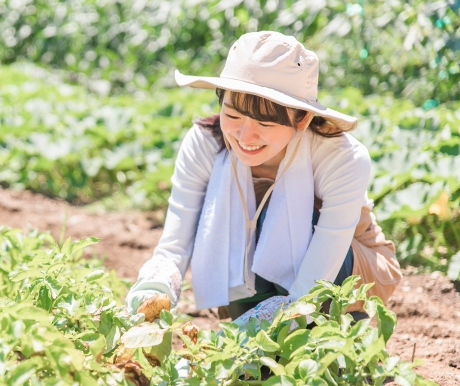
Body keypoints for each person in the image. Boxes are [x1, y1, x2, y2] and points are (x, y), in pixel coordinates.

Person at [125, 31, 401, 324]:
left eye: (265, 122)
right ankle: (259, 326)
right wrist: (150, 297)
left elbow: (311, 286)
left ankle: (332, 331)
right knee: (232, 216)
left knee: (279, 218)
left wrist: (267, 328)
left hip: (345, 274)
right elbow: (174, 247)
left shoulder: (341, 158)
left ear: (302, 119)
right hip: (252, 281)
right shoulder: (205, 144)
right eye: (232, 116)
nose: (246, 136)